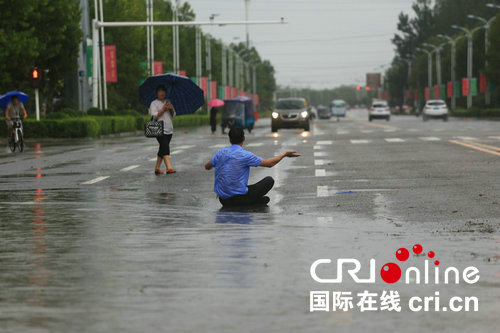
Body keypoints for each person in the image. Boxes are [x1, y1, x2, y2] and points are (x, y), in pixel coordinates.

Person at [205, 128, 300, 206]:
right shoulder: (245, 155)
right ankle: (252, 202)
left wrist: (217, 164)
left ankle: (253, 201)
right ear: (244, 138)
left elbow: (207, 166)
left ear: (230, 139)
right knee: (269, 180)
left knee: (252, 192)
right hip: (239, 198)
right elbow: (269, 164)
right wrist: (284, 154)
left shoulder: (220, 153)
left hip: (223, 200)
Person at [150, 85, 176, 175]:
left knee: (162, 148)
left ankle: (157, 168)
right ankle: (169, 167)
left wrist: (171, 109)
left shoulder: (168, 102)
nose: (162, 93)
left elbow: (173, 116)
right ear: (157, 93)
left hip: (169, 129)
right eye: (160, 91)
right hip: (159, 129)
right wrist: (163, 109)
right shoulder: (154, 103)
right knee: (165, 147)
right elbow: (154, 115)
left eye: (163, 91)